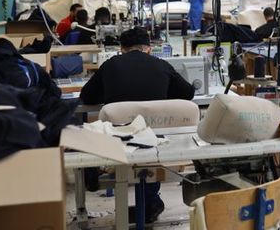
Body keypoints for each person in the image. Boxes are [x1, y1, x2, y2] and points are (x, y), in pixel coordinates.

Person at [80, 27, 195, 223]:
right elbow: (188, 93)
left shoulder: (110, 65)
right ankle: (151, 202)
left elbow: (87, 96)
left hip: (118, 141)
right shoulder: (162, 65)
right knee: (148, 149)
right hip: (154, 142)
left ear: (121, 49)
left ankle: (140, 202)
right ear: (149, 48)